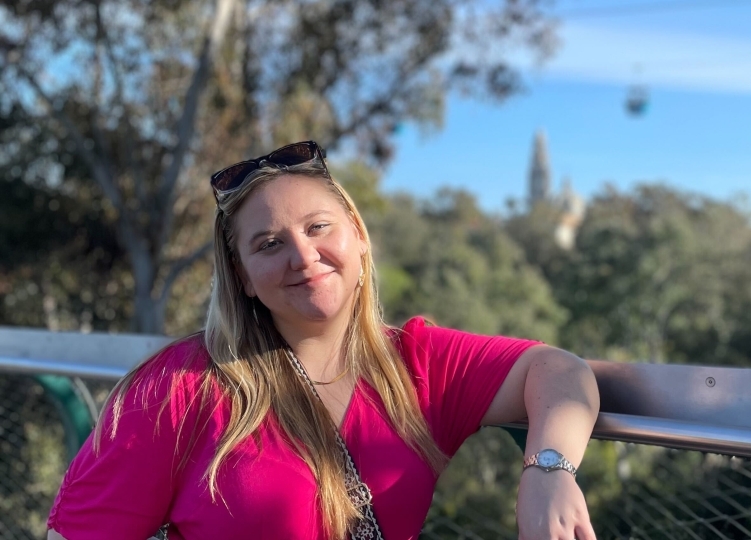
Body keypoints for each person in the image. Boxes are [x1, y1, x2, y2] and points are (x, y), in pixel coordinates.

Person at [47, 141, 600, 540]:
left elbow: (558, 371)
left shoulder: (414, 365)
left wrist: (547, 474)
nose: (303, 257)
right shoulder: (178, 389)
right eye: (268, 244)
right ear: (241, 277)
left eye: (317, 228)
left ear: (358, 237)